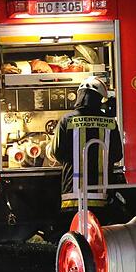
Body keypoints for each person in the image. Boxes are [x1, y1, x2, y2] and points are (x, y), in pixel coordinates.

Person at [49, 76, 123, 212]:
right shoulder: (111, 122)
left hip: (73, 196)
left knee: (74, 231)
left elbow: (56, 152)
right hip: (102, 196)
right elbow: (117, 155)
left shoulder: (67, 120)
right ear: (100, 99)